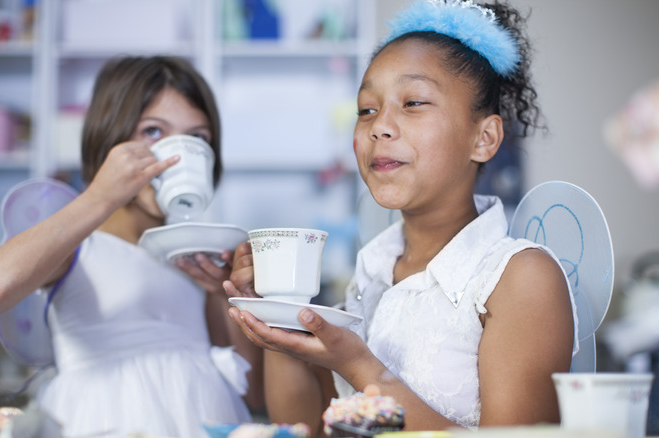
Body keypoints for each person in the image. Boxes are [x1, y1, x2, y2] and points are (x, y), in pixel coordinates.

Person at [224, 0, 577, 434]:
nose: (379, 127)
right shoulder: (371, 275)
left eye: (412, 102)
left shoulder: (519, 278)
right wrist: (275, 317)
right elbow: (304, 426)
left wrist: (359, 365)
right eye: (367, 109)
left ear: (484, 138)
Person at [0, 56, 262, 438]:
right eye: (154, 132)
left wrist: (223, 295)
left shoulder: (197, 255)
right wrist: (100, 196)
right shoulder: (80, 242)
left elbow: (253, 393)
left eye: (198, 138)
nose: (177, 156)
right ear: (110, 139)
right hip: (102, 420)